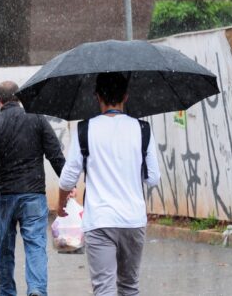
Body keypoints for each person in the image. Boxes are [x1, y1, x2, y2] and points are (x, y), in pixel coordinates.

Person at [57, 72, 160, 296]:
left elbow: (67, 178)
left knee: (104, 289)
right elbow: (153, 177)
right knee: (129, 287)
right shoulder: (143, 129)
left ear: (97, 97)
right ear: (126, 96)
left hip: (100, 221)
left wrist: (61, 204)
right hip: (133, 220)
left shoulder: (84, 130)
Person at [0, 81, 65, 296]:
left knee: (5, 248)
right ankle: (36, 289)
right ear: (19, 98)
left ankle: (7, 291)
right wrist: (67, 183)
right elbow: (55, 154)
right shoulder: (37, 119)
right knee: (35, 245)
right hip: (33, 195)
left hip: (4, 196)